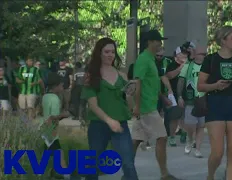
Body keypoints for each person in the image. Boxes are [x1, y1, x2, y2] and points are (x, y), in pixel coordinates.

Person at [81, 37, 138, 180]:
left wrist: (130, 94)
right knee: (93, 165)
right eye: (106, 51)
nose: (110, 55)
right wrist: (109, 121)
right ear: (99, 53)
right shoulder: (91, 76)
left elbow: (129, 105)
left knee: (128, 163)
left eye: (112, 52)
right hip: (98, 126)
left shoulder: (122, 75)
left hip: (120, 125)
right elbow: (93, 105)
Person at [197, 26, 232, 180]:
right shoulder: (210, 59)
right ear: (223, 40)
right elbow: (200, 86)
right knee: (217, 152)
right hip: (215, 107)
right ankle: (210, 175)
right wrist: (215, 85)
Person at [132, 29, 179, 180]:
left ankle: (128, 172)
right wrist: (137, 106)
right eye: (158, 40)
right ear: (150, 42)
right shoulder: (143, 59)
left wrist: (162, 96)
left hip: (149, 105)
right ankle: (164, 174)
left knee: (136, 140)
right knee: (162, 137)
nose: (160, 43)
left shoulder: (151, 59)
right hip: (147, 108)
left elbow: (150, 83)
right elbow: (137, 83)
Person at [40, 72, 70, 179]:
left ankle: (47, 174)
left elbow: (47, 115)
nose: (62, 87)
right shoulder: (55, 99)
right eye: (61, 85)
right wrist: (65, 114)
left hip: (45, 130)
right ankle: (66, 175)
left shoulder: (45, 97)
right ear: (56, 86)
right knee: (59, 153)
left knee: (48, 155)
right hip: (51, 132)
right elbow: (53, 117)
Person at [177, 46, 207, 158]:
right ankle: (190, 139)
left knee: (201, 125)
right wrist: (179, 96)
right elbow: (181, 81)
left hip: (203, 99)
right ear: (195, 54)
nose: (204, 56)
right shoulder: (188, 66)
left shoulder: (207, 66)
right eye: (202, 54)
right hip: (190, 100)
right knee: (190, 125)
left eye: (205, 54)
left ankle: (198, 149)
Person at [164, 46, 188, 147]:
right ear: (177, 55)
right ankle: (172, 136)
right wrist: (180, 68)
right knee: (174, 117)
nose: (185, 55)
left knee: (185, 116)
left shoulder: (189, 65)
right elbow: (169, 76)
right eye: (182, 53)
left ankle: (184, 133)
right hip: (174, 94)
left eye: (185, 54)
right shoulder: (171, 65)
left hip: (187, 94)